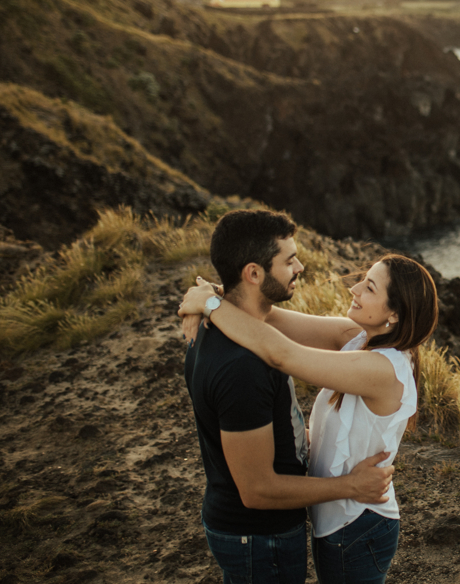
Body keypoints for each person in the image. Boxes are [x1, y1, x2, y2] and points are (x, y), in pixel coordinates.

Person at [180, 239, 438, 584]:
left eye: (370, 287)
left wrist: (211, 304)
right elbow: (266, 315)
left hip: (358, 522)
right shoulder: (358, 337)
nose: (355, 287)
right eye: (362, 279)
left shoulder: (383, 369)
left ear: (394, 313)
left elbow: (282, 354)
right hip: (338, 519)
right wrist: (209, 294)